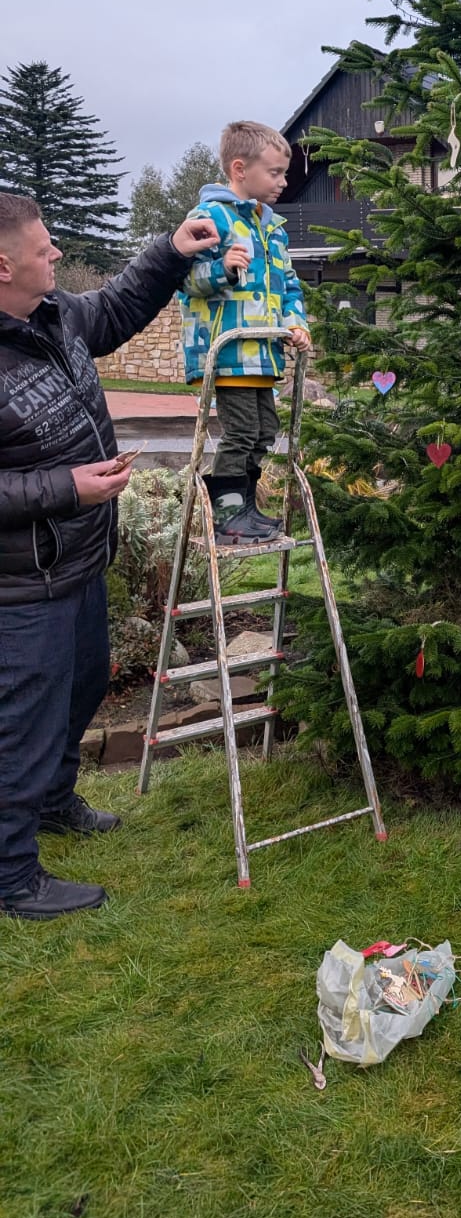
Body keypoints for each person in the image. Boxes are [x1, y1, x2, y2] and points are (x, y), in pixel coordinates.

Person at [0, 193, 222, 920]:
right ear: (4, 264)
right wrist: (65, 486)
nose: (57, 254)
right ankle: (11, 876)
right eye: (43, 247)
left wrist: (171, 250)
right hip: (22, 585)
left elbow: (119, 307)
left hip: (80, 561)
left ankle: (56, 802)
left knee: (84, 685)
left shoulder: (54, 318)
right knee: (21, 726)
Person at [178, 121, 310, 544]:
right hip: (229, 351)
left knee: (264, 433)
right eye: (274, 173)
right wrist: (222, 269)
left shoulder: (271, 227)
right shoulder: (209, 218)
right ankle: (228, 514)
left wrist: (296, 323)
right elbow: (184, 280)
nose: (283, 182)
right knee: (239, 433)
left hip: (264, 353)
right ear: (240, 169)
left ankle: (245, 508)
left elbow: (289, 284)